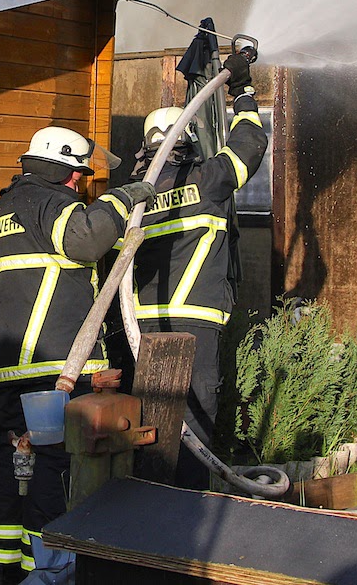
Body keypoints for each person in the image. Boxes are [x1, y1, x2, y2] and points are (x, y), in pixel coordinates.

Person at [0, 125, 156, 585]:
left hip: (10, 376)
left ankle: (0, 570)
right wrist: (126, 197)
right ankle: (47, 573)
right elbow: (87, 240)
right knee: (52, 472)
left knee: (13, 464)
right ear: (72, 175)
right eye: (83, 179)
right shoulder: (56, 205)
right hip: (60, 374)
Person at [128, 50, 266, 488]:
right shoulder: (207, 179)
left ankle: (148, 498)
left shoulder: (133, 198)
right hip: (194, 321)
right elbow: (249, 144)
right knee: (193, 419)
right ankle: (185, 511)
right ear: (185, 139)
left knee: (148, 416)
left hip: (142, 323)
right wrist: (242, 90)